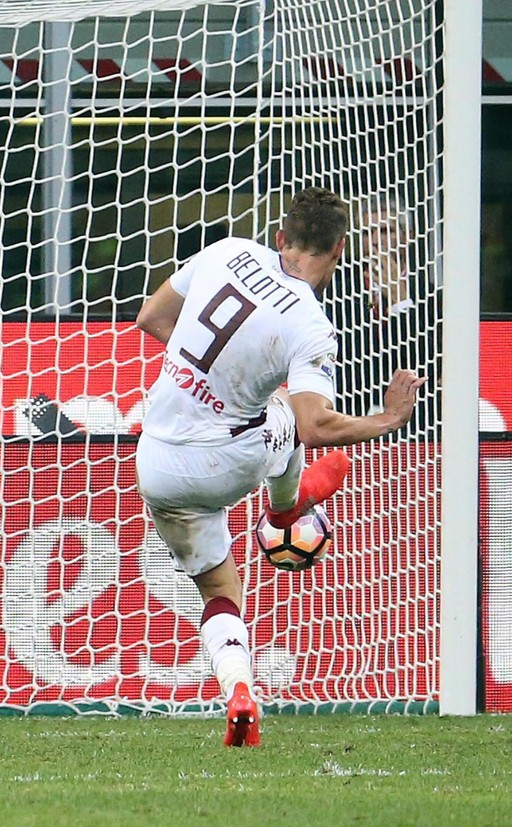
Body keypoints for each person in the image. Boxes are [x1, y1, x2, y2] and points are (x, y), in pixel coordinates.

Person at [133, 187, 422, 747]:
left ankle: (240, 690)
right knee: (287, 411)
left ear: (281, 237)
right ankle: (287, 511)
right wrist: (388, 419)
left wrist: (211, 381)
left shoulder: (225, 250)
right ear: (340, 248)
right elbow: (316, 426)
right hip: (228, 460)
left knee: (218, 588)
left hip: (157, 461)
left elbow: (151, 317)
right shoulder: (310, 323)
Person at [324, 194, 438, 435]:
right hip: (350, 419)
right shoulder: (336, 292)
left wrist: (400, 301)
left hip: (416, 429)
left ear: (407, 236)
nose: (375, 241)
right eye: (367, 233)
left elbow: (430, 367)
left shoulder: (432, 296)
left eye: (385, 231)